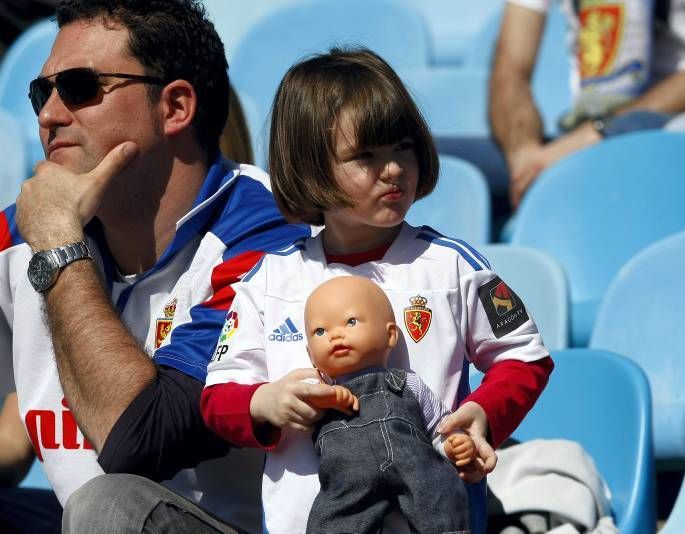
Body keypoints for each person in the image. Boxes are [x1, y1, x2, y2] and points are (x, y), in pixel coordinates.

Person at [200, 47, 554, 534]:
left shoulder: (452, 265)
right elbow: (218, 396)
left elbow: (525, 358)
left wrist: (481, 417)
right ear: (311, 166)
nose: (393, 170)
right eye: (365, 156)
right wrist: (265, 404)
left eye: (402, 147)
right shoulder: (268, 280)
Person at [0, 0, 308, 532]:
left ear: (175, 107)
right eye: (40, 93)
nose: (49, 115)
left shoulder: (273, 244)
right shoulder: (21, 232)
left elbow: (136, 438)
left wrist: (59, 251)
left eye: (78, 87)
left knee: (108, 503)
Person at [490, 0, 685, 209]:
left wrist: (597, 134)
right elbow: (510, 72)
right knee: (454, 164)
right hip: (581, 132)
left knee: (680, 133)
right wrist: (522, 155)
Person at [302, 276, 477, 532]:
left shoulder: (408, 383)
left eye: (351, 322)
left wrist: (452, 444)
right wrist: (321, 400)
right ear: (310, 355)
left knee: (440, 489)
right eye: (320, 331)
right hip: (349, 480)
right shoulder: (319, 392)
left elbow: (439, 423)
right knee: (331, 518)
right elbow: (300, 417)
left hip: (414, 464)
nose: (335, 335)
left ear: (390, 335)